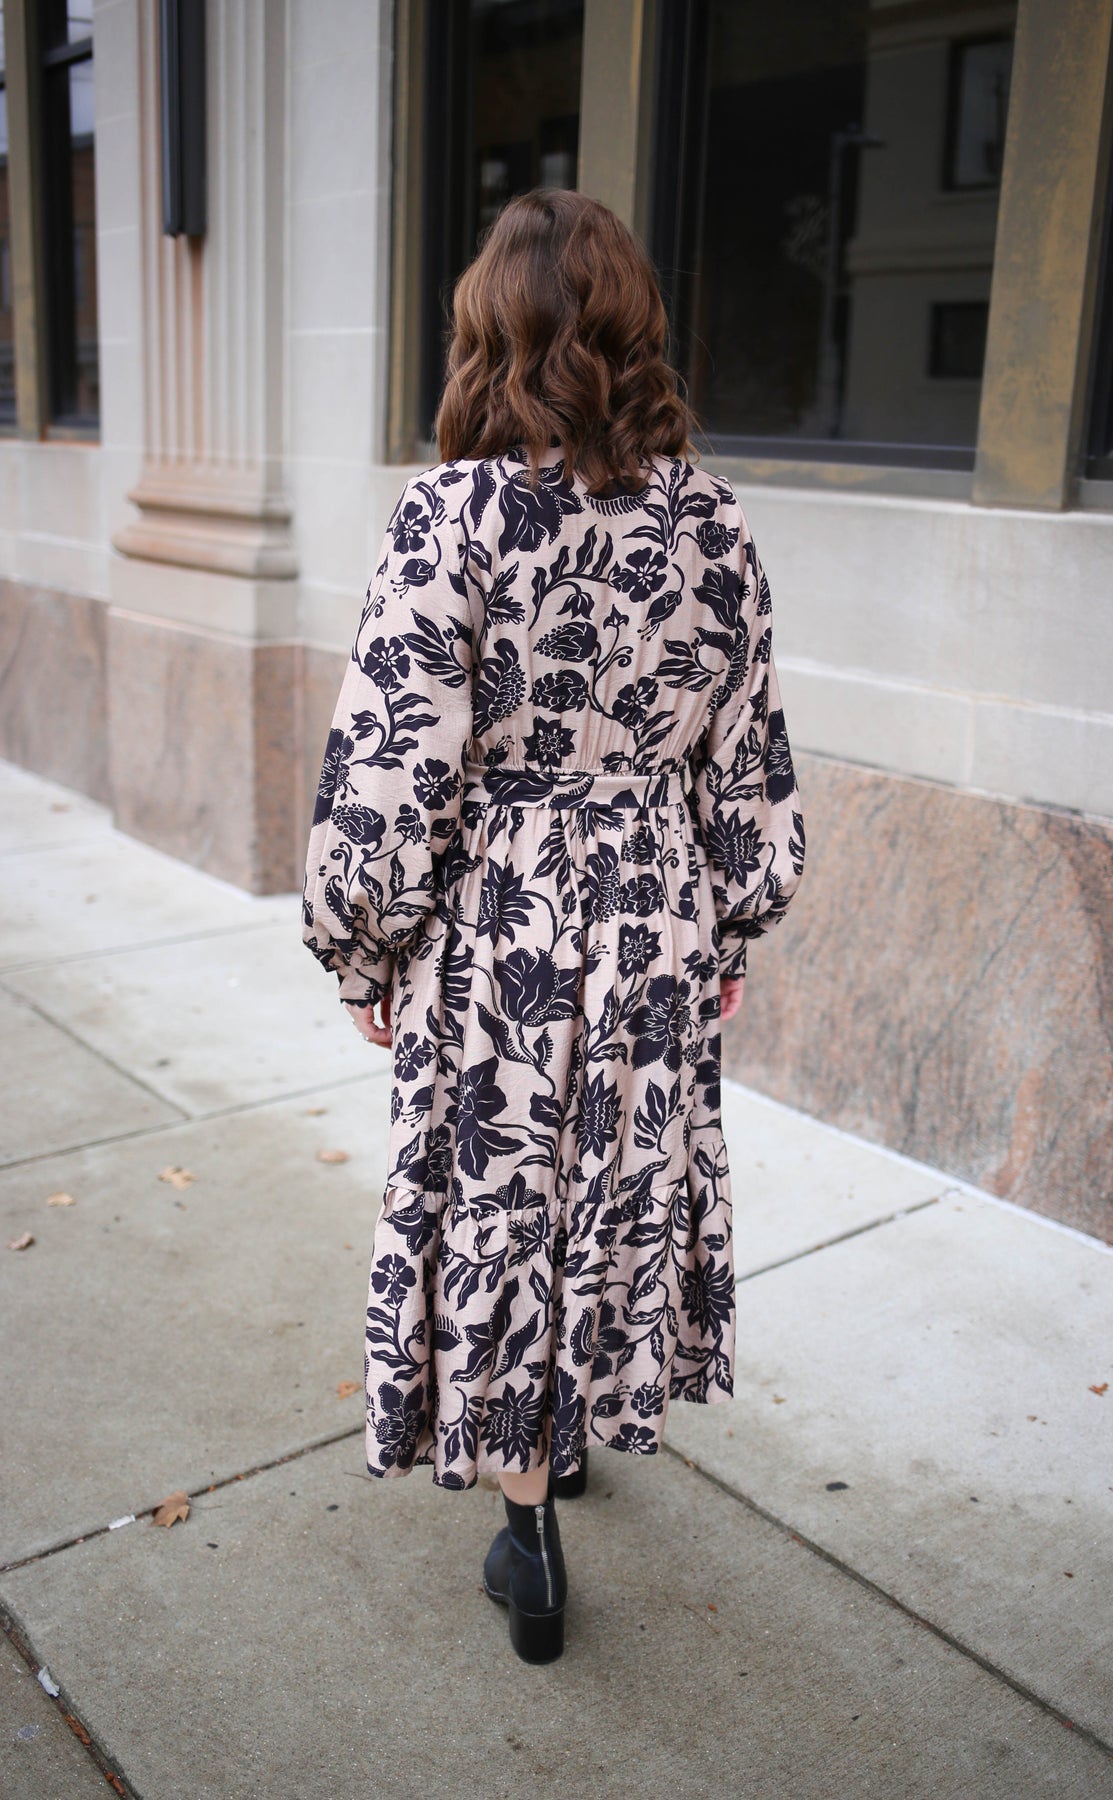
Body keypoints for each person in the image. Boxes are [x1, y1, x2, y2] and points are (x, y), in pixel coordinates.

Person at [301, 188, 806, 1663]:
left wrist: (364, 947)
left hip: (501, 919)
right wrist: (729, 927)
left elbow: (392, 767)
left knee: (508, 1196)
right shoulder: (712, 519)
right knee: (609, 1183)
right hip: (652, 904)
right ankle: (567, 1427)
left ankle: (527, 1535)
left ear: (491, 336)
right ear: (633, 331)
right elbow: (752, 757)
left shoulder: (450, 516)